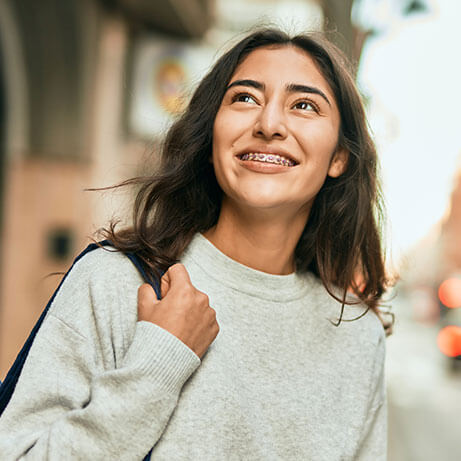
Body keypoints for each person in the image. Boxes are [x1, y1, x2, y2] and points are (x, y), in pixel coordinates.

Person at [0, 28, 392, 460]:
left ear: (339, 157)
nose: (269, 124)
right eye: (245, 98)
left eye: (304, 105)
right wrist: (159, 362)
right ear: (211, 141)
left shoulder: (358, 337)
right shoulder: (116, 282)